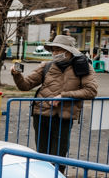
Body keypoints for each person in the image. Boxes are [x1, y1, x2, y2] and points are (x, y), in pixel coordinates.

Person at [11, 35, 98, 169]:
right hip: (41, 114)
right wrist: (17, 75)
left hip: (64, 117)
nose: (55, 53)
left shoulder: (83, 67)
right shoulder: (47, 66)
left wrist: (63, 96)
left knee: (58, 156)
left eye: (59, 49)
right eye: (53, 50)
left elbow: (91, 91)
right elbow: (25, 85)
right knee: (42, 155)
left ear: (69, 51)